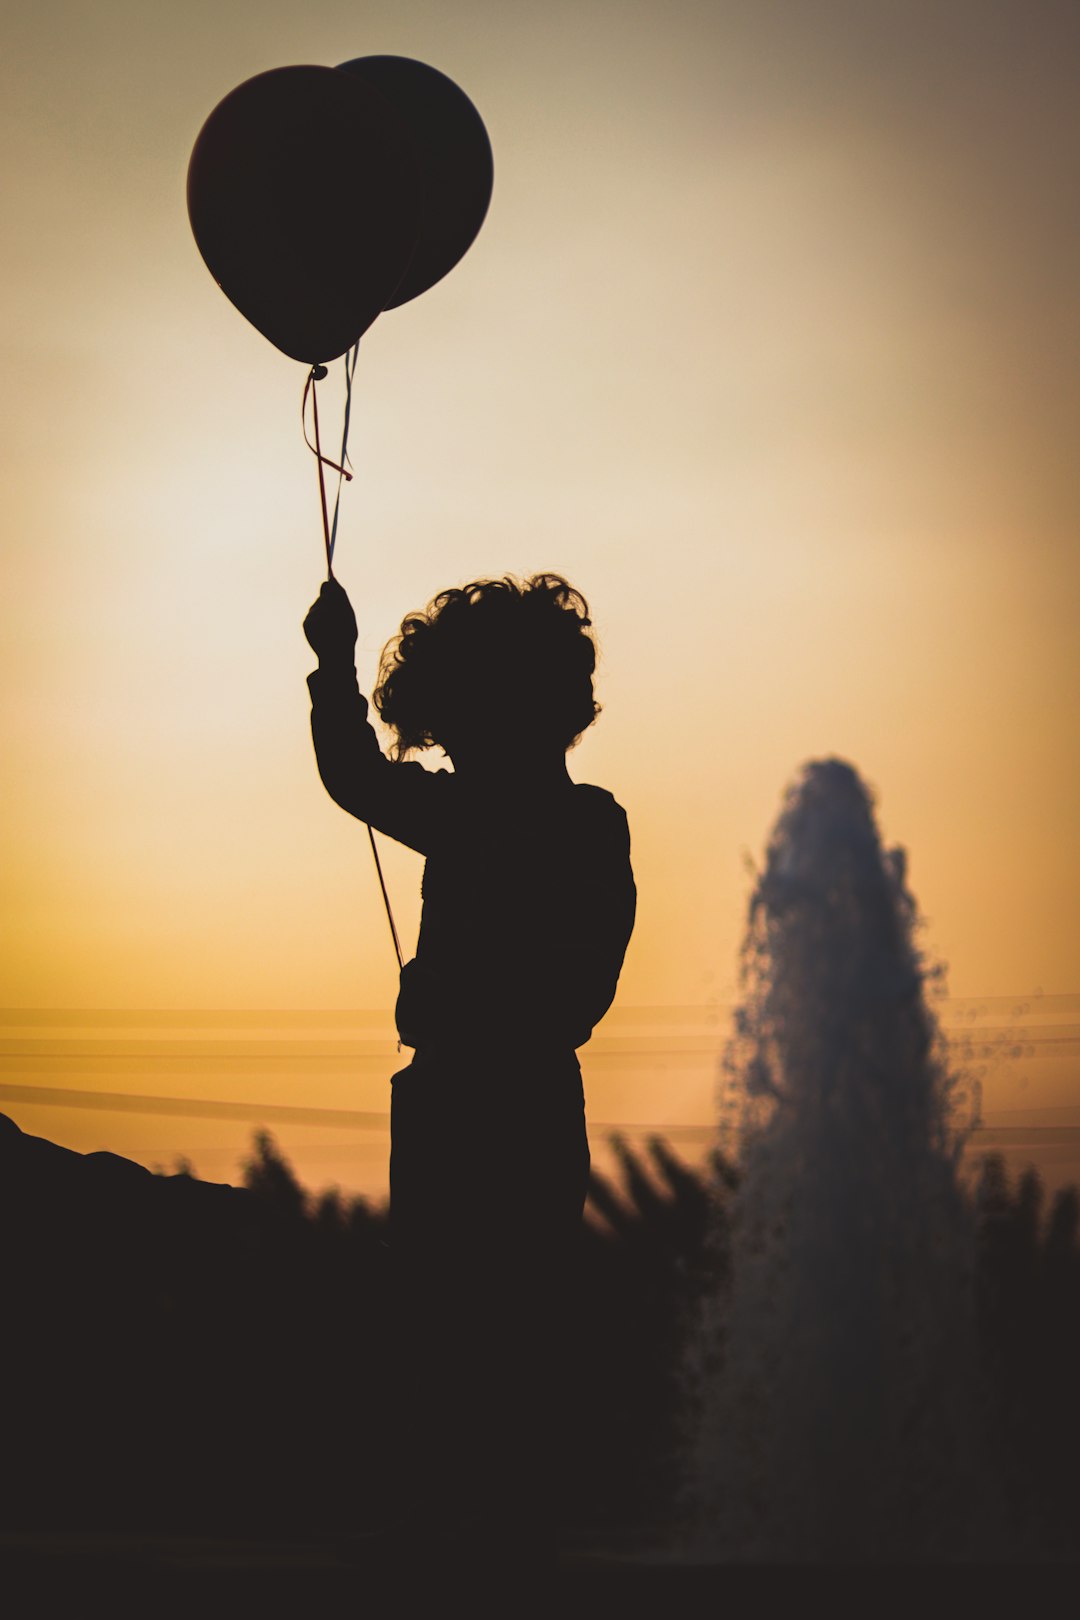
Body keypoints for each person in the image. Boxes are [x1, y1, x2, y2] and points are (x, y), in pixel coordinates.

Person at [303, 572, 636, 1564]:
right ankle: (486, 1514)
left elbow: (351, 776)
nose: (448, 749)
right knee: (498, 1310)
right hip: (519, 1092)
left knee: (455, 1309)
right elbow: (584, 988)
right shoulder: (591, 822)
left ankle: (469, 1517)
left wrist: (332, 663)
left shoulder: (478, 815)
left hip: (476, 1092)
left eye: (455, 726)